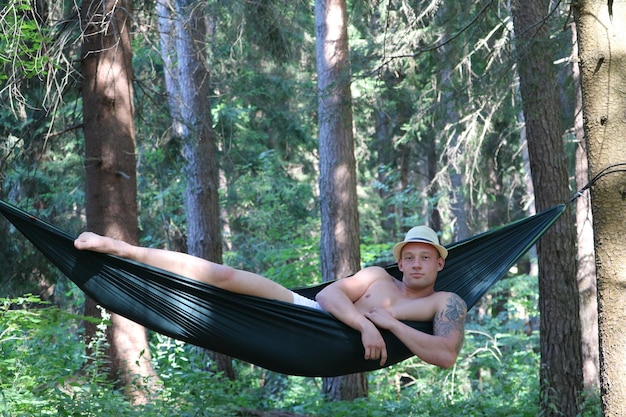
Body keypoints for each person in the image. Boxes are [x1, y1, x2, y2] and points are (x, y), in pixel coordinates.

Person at [74, 225, 466, 369]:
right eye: (409, 257)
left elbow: (446, 356)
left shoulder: (446, 302)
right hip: (310, 315)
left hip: (324, 348)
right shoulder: (377, 275)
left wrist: (391, 324)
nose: (415, 264)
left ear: (439, 265)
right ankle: (121, 249)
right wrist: (366, 324)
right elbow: (330, 296)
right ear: (400, 261)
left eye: (425, 258)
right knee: (225, 276)